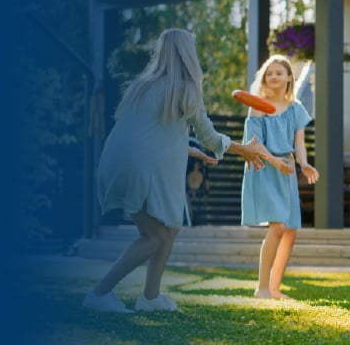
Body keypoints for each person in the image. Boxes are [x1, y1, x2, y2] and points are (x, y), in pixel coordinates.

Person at [85, 29, 280, 313]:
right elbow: (211, 138)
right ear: (188, 55)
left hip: (116, 162)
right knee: (154, 237)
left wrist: (190, 149)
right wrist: (246, 150)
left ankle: (150, 298)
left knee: (170, 227)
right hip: (140, 169)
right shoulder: (186, 88)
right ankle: (99, 294)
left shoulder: (143, 85)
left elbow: (149, 134)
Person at [241, 55, 316, 300]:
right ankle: (261, 288)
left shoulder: (296, 109)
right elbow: (253, 144)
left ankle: (274, 289)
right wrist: (275, 162)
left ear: (288, 77)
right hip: (264, 167)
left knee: (290, 230)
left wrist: (303, 164)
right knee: (278, 226)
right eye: (269, 72)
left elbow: (299, 143)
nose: (273, 76)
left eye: (278, 72)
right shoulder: (257, 105)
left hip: (287, 170)